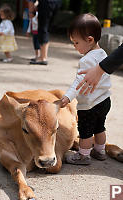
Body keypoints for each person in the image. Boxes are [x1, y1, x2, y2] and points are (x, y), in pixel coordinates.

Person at [59, 13, 111, 165]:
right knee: (100, 127)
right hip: (105, 100)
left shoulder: (86, 60)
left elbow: (78, 83)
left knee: (86, 131)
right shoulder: (103, 54)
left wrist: (67, 97)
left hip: (89, 105)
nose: (74, 46)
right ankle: (100, 151)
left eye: (76, 43)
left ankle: (83, 155)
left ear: (89, 40)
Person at [28, 0, 62, 65]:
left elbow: (31, 0)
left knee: (43, 29)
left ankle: (43, 58)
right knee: (47, 29)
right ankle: (43, 56)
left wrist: (31, 12)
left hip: (46, 4)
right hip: (56, 3)